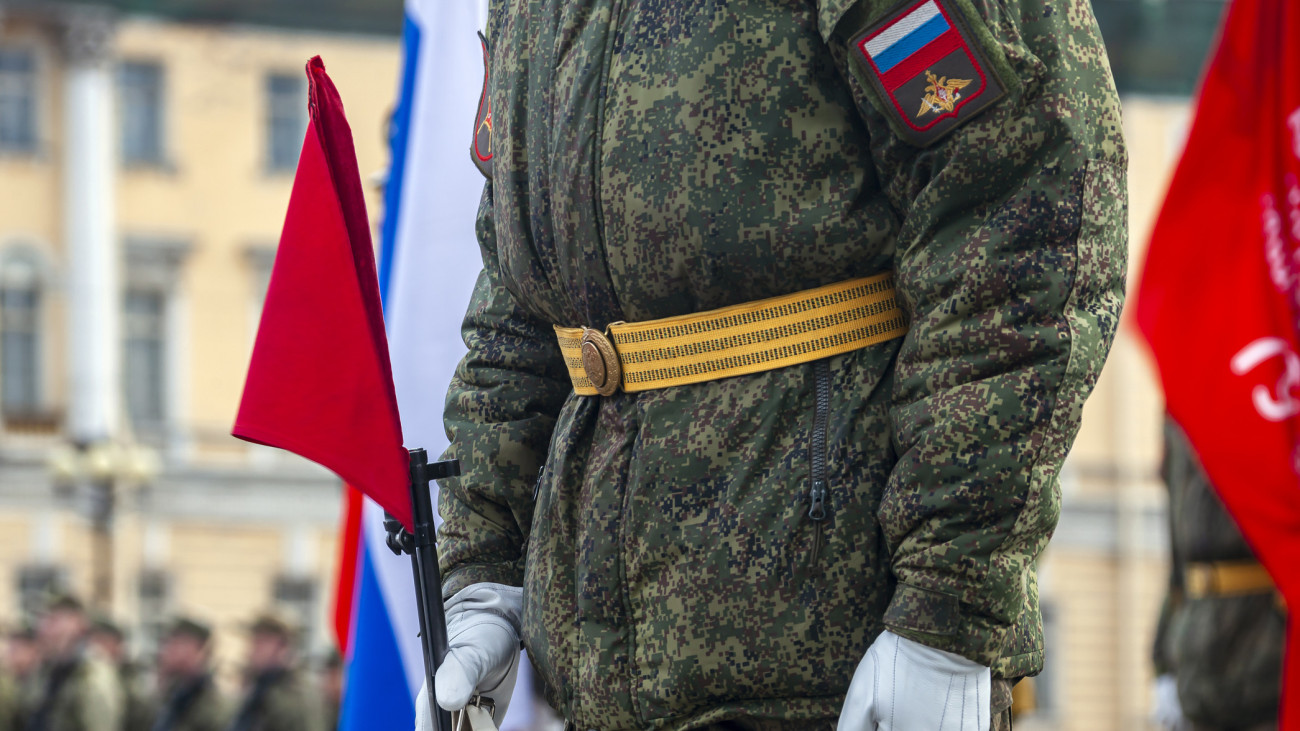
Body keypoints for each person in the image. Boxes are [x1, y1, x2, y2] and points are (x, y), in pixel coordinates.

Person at [417, 0, 1128, 727]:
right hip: (594, 674)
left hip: (831, 660)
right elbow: (524, 287)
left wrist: (947, 608)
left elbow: (1018, 227)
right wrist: (485, 563)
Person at [1152, 420, 1284, 731]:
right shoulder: (1181, 405)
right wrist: (1162, 659)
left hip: (1268, 652)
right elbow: (1178, 555)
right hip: (1197, 653)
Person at [27, 594, 123, 731]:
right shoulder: (50, 670)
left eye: (53, 620)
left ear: (77, 624)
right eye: (42, 620)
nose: (43, 629)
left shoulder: (93, 675)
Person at [226, 613, 323, 731]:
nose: (251, 649)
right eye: (252, 641)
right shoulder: (259, 686)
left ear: (282, 647)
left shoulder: (294, 697)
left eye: (260, 642)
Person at [151, 617, 229, 731]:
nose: (168, 650)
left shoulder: (210, 703)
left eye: (178, 643)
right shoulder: (173, 692)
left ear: (200, 650)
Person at [88, 616, 156, 730]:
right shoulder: (88, 676)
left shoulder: (133, 681)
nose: (95, 648)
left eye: (101, 641)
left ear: (118, 646)